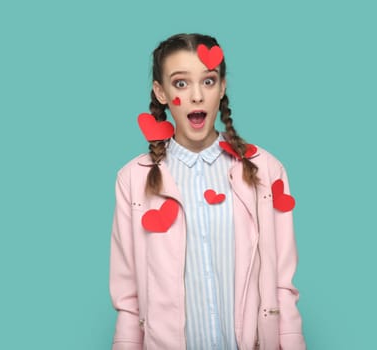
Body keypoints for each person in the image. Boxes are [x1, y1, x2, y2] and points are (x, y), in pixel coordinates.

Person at [109, 33, 306, 350]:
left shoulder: (266, 171)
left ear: (222, 87)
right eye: (181, 84)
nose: (197, 96)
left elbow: (283, 284)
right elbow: (128, 297)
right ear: (161, 92)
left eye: (209, 81)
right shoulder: (132, 180)